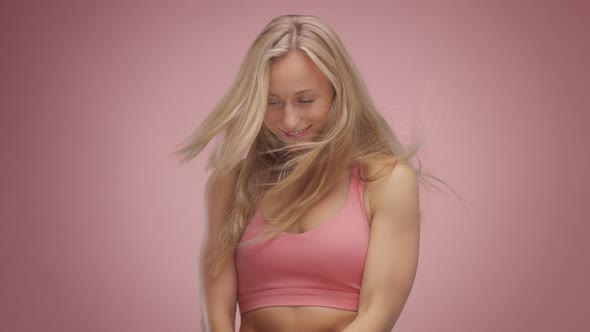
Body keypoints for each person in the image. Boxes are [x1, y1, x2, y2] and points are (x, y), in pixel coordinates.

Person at [173, 14, 452, 332]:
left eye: (305, 100)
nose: (289, 120)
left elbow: (378, 313)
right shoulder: (230, 185)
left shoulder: (388, 182)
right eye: (272, 102)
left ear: (338, 92)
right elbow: (216, 319)